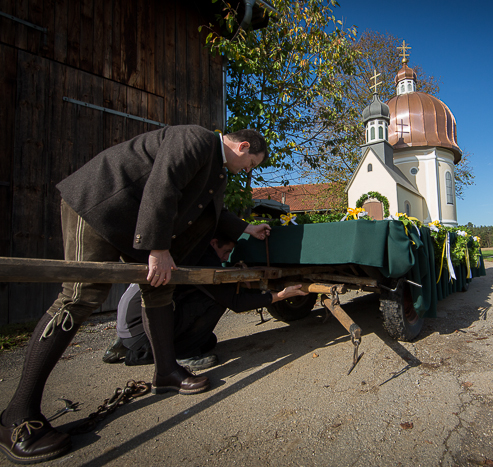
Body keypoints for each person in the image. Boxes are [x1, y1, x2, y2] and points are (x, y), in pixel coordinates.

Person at [0, 125, 306, 464]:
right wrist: (158, 247)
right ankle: (17, 415)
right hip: (100, 205)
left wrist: (246, 227)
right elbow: (164, 185)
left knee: (160, 291)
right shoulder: (196, 140)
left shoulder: (215, 171)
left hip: (132, 221)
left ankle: (166, 372)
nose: (248, 170)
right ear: (242, 146)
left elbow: (209, 213)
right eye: (251, 163)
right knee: (79, 297)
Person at [102, 232, 306, 370]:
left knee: (209, 341)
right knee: (216, 301)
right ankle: (176, 354)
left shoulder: (188, 249)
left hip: (129, 325)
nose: (225, 257)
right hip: (143, 331)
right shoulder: (204, 259)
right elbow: (235, 302)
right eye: (225, 251)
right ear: (213, 242)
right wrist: (280, 296)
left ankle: (127, 344)